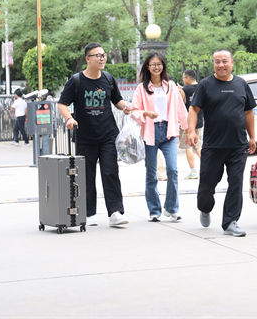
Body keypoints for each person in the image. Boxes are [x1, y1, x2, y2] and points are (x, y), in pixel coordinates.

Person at [57, 42, 131, 227]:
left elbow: (117, 100)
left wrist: (126, 107)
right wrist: (69, 118)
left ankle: (115, 212)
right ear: (87, 59)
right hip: (85, 136)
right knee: (86, 176)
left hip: (108, 135)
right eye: (98, 55)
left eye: (103, 55)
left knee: (110, 172)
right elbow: (62, 104)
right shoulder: (76, 81)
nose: (102, 58)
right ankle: (89, 213)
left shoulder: (108, 79)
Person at [187, 49, 257, 237]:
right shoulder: (205, 85)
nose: (221, 65)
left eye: (224, 61)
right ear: (213, 64)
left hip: (238, 145)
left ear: (232, 62)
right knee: (207, 185)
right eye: (217, 61)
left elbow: (248, 112)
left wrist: (252, 137)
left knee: (236, 183)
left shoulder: (241, 84)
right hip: (213, 146)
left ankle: (230, 222)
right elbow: (194, 109)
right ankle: (205, 208)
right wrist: (191, 131)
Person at [132, 52, 188, 222]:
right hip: (150, 132)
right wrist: (145, 113)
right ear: (147, 67)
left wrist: (187, 129)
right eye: (153, 64)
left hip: (168, 131)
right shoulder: (141, 88)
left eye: (159, 64)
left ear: (163, 66)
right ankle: (154, 210)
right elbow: (134, 111)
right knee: (151, 173)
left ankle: (171, 208)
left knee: (173, 170)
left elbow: (180, 108)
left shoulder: (170, 86)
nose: (156, 67)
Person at [178, 69, 203, 180]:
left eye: (184, 78)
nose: (183, 80)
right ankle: (208, 167)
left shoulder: (184, 90)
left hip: (188, 123)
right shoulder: (201, 87)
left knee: (188, 146)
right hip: (199, 120)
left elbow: (181, 105)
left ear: (188, 78)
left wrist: (180, 91)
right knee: (198, 146)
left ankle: (193, 171)